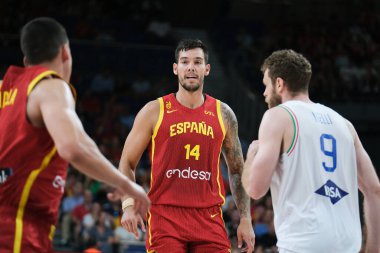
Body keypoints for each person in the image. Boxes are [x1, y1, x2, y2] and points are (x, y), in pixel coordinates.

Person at [0, 17, 150, 253]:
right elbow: (73, 146)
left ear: (26, 61)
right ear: (65, 53)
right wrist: (127, 185)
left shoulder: (5, 90)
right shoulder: (50, 85)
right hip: (16, 226)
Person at [119, 39, 255, 253]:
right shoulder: (154, 111)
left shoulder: (224, 114)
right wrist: (128, 205)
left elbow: (238, 169)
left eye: (197, 62)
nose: (191, 67)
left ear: (207, 69)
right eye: (185, 62)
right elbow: (127, 162)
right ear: (176, 68)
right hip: (165, 217)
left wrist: (246, 218)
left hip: (209, 218)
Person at [242, 49, 380, 252]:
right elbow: (374, 189)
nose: (264, 93)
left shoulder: (278, 116)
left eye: (266, 85)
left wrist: (251, 156)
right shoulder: (344, 124)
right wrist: (374, 249)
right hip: (348, 244)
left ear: (279, 84)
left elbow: (255, 189)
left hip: (304, 242)